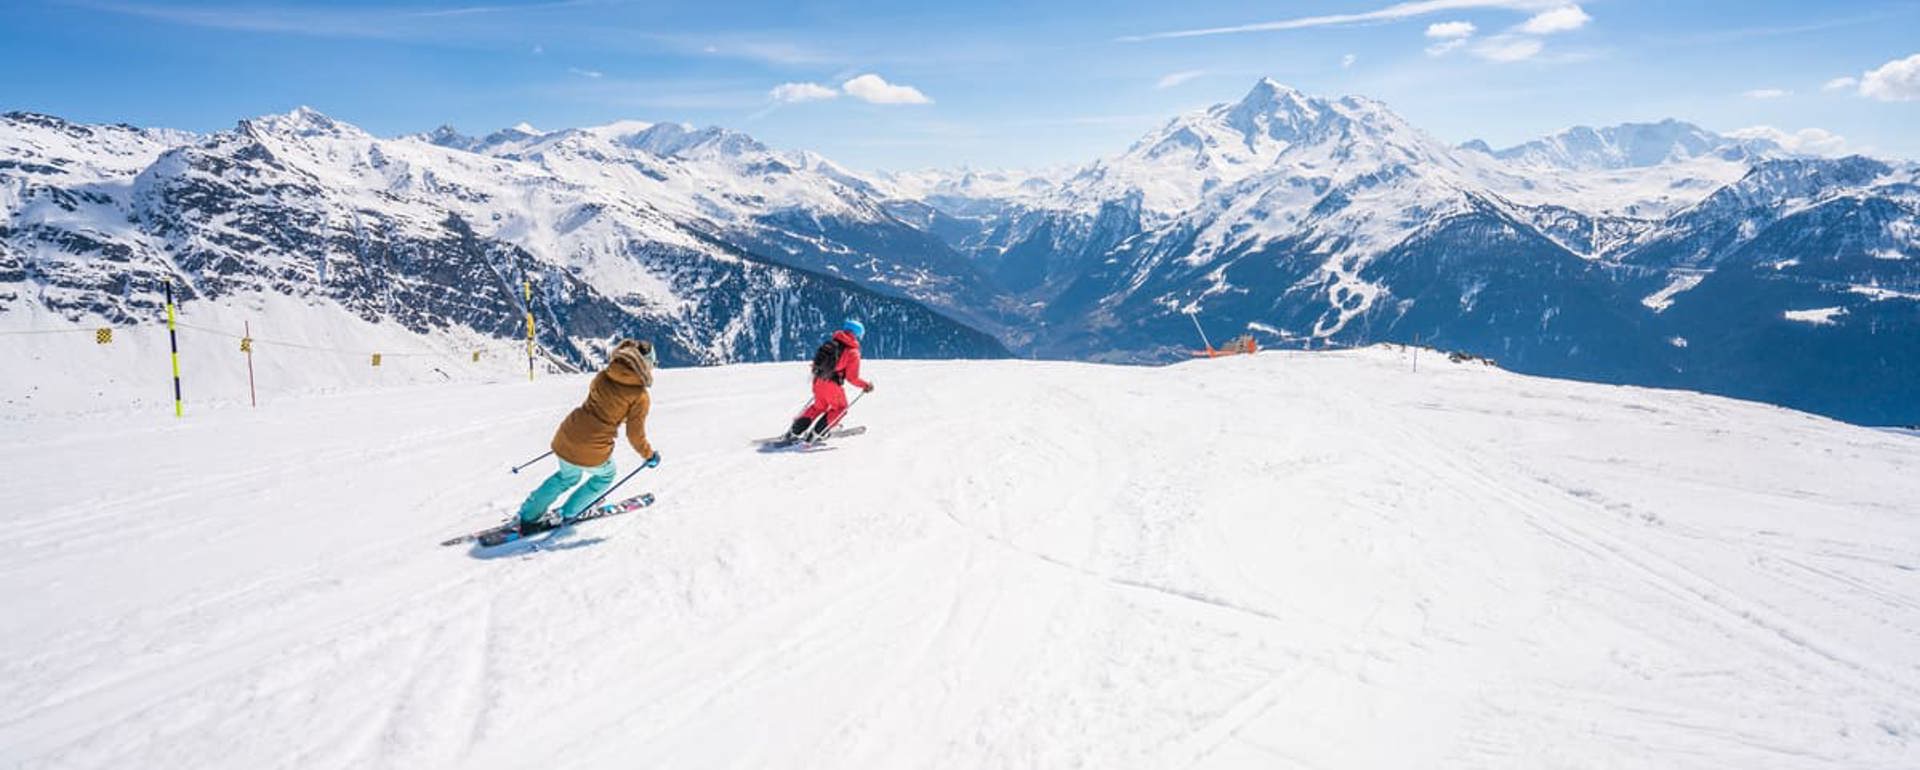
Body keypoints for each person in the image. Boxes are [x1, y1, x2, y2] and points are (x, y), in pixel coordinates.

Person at [517, 338, 660, 532]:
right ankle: (571, 512)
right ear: (645, 365)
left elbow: (602, 403)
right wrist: (649, 455)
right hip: (593, 446)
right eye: (652, 363)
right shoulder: (640, 396)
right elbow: (635, 434)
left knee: (566, 477)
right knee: (605, 476)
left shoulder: (603, 376)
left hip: (567, 433)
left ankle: (528, 514)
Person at [784, 319, 874, 442]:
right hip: (832, 384)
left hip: (818, 380)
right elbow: (852, 378)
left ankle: (794, 431)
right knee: (840, 409)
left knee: (818, 407)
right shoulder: (852, 352)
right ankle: (818, 433)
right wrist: (866, 385)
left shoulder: (830, 344)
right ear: (857, 334)